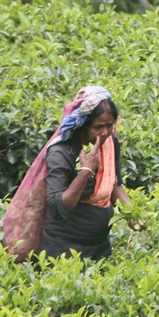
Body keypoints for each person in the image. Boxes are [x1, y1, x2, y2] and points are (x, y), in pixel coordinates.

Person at [41, 86, 137, 260]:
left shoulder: (110, 142)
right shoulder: (62, 152)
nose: (105, 132)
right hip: (63, 248)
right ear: (83, 125)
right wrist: (85, 172)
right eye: (98, 127)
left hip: (99, 246)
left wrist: (132, 213)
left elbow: (113, 183)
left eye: (110, 125)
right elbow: (58, 206)